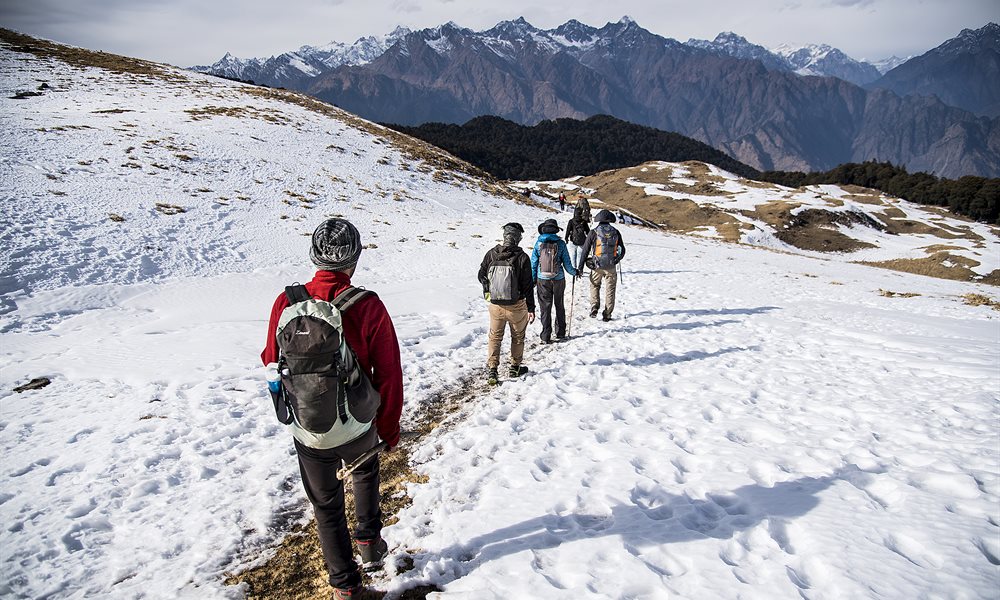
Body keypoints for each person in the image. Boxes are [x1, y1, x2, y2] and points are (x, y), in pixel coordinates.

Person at [261, 218, 402, 600]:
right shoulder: (368, 305)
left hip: (308, 427)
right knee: (365, 471)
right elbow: (388, 371)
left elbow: (270, 358)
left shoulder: (287, 302)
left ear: (314, 256)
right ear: (353, 260)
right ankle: (370, 542)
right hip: (358, 425)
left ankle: (346, 588)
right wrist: (388, 428)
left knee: (325, 506)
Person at [478, 222, 536, 384]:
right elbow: (528, 285)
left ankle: (492, 370)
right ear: (518, 238)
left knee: (495, 337)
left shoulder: (491, 254)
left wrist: (488, 290)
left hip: (495, 305)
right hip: (517, 306)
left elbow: (481, 274)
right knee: (517, 337)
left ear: (505, 236)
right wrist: (531, 307)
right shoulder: (522, 257)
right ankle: (515, 367)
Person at [530, 218, 580, 343]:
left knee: (545, 307)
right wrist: (575, 272)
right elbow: (567, 264)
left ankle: (546, 335)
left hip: (543, 279)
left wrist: (533, 279)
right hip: (559, 279)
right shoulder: (561, 244)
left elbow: (534, 263)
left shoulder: (538, 243)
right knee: (559, 305)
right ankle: (560, 332)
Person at [577, 209, 627, 322]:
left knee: (594, 285)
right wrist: (617, 259)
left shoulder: (593, 232)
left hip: (597, 266)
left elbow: (585, 250)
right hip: (611, 266)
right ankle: (607, 314)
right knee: (610, 289)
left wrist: (580, 267)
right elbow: (622, 250)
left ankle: (594, 306)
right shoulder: (616, 232)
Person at [564, 205, 591, 269]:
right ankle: (579, 270)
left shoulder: (571, 221)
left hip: (573, 241)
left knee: (573, 256)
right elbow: (588, 232)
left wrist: (566, 238)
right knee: (580, 256)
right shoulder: (584, 222)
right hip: (582, 241)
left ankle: (574, 270)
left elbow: (568, 230)